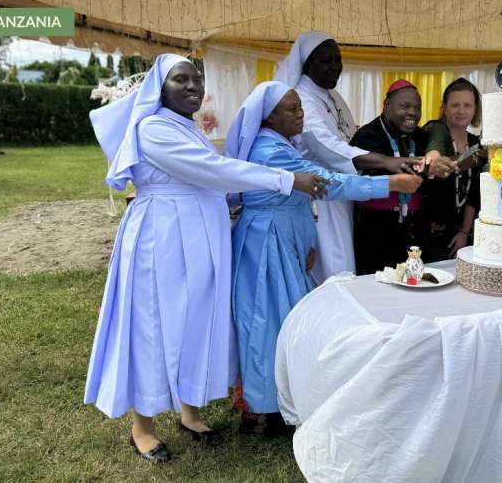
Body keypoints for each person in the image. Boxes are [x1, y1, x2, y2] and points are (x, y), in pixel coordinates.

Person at [84, 55, 326, 463]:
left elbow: (216, 177)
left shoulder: (186, 127)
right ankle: (142, 426)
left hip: (196, 237)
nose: (194, 86)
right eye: (182, 80)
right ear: (160, 88)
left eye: (198, 79)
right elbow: (213, 170)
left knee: (196, 320)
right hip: (161, 239)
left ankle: (189, 412)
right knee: (156, 323)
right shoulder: (153, 129)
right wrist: (286, 179)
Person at [224, 81, 422, 435]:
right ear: (269, 116)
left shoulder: (282, 143)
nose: (301, 115)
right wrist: (388, 185)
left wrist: (305, 241)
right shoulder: (270, 150)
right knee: (267, 324)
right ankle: (262, 410)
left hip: (283, 240)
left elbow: (298, 200)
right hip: (266, 244)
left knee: (283, 321)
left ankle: (277, 403)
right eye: (292, 109)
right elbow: (326, 183)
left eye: (301, 107)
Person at [275, 31, 425, 283]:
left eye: (338, 60)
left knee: (348, 265)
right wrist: (387, 161)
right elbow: (326, 148)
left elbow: (350, 136)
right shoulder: (302, 97)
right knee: (334, 270)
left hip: (345, 193)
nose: (335, 67)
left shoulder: (332, 96)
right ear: (308, 63)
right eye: (326, 60)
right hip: (322, 198)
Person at [351, 79, 448, 274]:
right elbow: (373, 176)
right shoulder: (366, 136)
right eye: (405, 106)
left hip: (415, 227)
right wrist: (428, 169)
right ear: (387, 106)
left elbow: (437, 131)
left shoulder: (419, 136)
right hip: (376, 228)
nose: (413, 113)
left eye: (417, 107)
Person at [422, 77, 484, 261]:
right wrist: (433, 158)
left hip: (463, 231)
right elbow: (435, 146)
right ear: (445, 107)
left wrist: (464, 232)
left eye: (467, 105)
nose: (461, 111)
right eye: (455, 105)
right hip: (429, 229)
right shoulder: (436, 128)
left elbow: (475, 192)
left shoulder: (476, 143)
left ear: (475, 109)